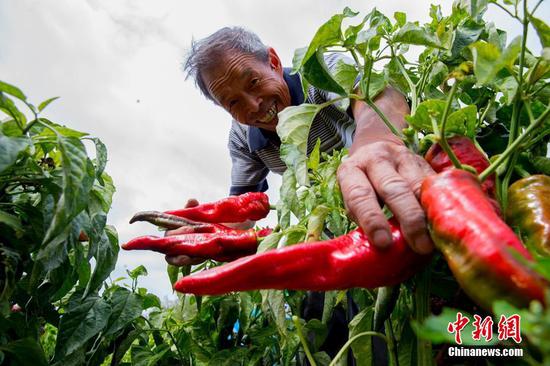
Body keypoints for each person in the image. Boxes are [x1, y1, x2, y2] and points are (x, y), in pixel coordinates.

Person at [166, 26, 434, 267]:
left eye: (254, 83)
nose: (254, 105)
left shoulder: (320, 71)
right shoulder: (242, 139)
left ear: (273, 62)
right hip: (340, 227)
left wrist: (378, 142)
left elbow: (381, 97)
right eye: (232, 102)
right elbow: (242, 209)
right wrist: (208, 234)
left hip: (395, 183)